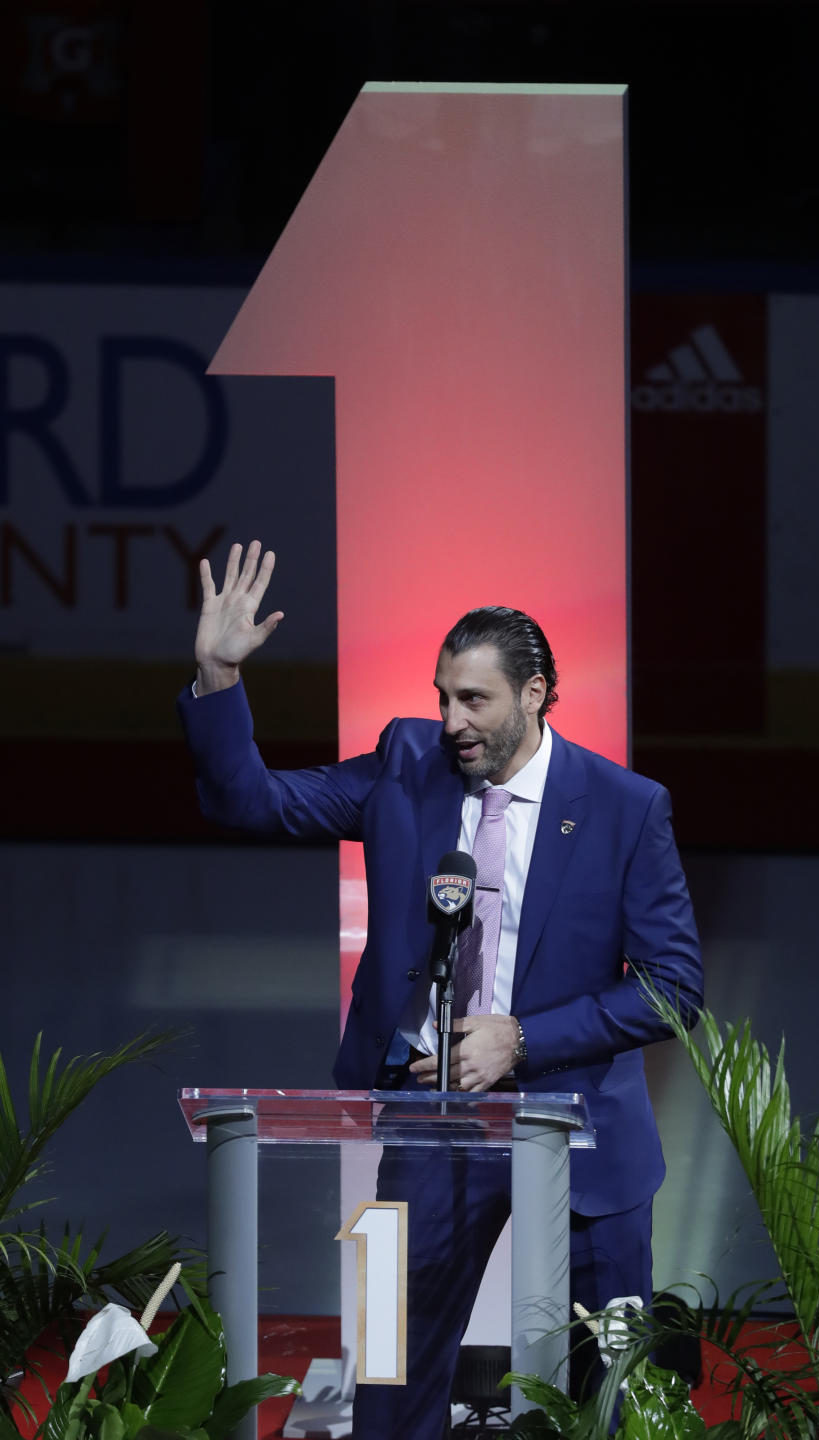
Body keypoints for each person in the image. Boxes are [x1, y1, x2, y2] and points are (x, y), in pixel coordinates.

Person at [178, 539, 703, 1440]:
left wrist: (524, 1039)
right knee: (388, 1377)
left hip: (585, 1143)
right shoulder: (406, 765)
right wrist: (218, 677)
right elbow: (249, 802)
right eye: (442, 697)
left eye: (475, 700)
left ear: (534, 693)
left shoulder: (626, 806)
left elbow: (673, 990)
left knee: (604, 1402)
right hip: (424, 1127)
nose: (452, 720)